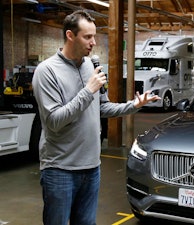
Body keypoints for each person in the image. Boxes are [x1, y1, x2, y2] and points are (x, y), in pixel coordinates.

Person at [32, 10, 160, 225]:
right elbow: (54, 121)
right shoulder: (47, 71)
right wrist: (88, 90)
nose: (93, 43)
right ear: (70, 35)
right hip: (60, 169)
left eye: (94, 36)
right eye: (87, 37)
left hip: (91, 168)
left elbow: (102, 107)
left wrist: (134, 105)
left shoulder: (90, 66)